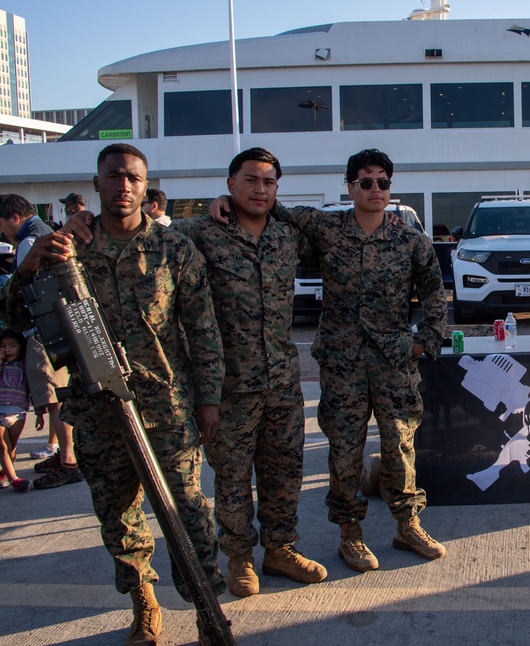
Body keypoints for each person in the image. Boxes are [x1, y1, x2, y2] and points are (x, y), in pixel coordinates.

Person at [69, 147, 327, 597]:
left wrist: (276, 205)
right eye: (249, 180)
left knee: (285, 473)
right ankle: (240, 557)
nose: (259, 189)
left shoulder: (289, 237)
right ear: (229, 185)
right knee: (230, 479)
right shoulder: (198, 233)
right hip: (229, 386)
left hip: (282, 380)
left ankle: (282, 549)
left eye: (269, 182)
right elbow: (144, 233)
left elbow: (326, 232)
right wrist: (79, 223)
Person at [0, 143, 227, 644]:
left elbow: (203, 330)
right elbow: (16, 321)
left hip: (166, 405)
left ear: (145, 187)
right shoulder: (66, 249)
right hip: (97, 408)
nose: (123, 186)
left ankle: (207, 606)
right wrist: (27, 269)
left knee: (189, 510)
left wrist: (208, 399)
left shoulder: (175, 250)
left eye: (133, 178)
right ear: (97, 183)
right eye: (114, 176)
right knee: (118, 513)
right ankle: (143, 601)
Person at [210, 148, 448, 573]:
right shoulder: (326, 227)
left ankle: (407, 524)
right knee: (344, 453)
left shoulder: (409, 239)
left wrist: (425, 340)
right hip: (343, 363)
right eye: (365, 181)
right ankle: (349, 535)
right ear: (350, 186)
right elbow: (271, 208)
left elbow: (434, 290)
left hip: (394, 362)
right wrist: (224, 202)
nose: (375, 189)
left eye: (383, 182)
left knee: (400, 447)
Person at [0, 193, 79, 489]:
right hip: (58, 329)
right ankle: (63, 455)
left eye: (2, 224)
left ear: (14, 217)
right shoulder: (46, 232)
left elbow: (23, 293)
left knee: (54, 398)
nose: (2, 232)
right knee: (56, 396)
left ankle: (68, 460)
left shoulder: (29, 242)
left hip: (43, 332)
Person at [0, 329, 32, 492]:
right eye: (3, 346)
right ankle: (15, 480)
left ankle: (5, 472)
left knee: (11, 447)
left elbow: (31, 388)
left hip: (18, 413)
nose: (7, 349)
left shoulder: (24, 365)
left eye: (12, 345)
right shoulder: (2, 365)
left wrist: (39, 412)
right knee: (3, 446)